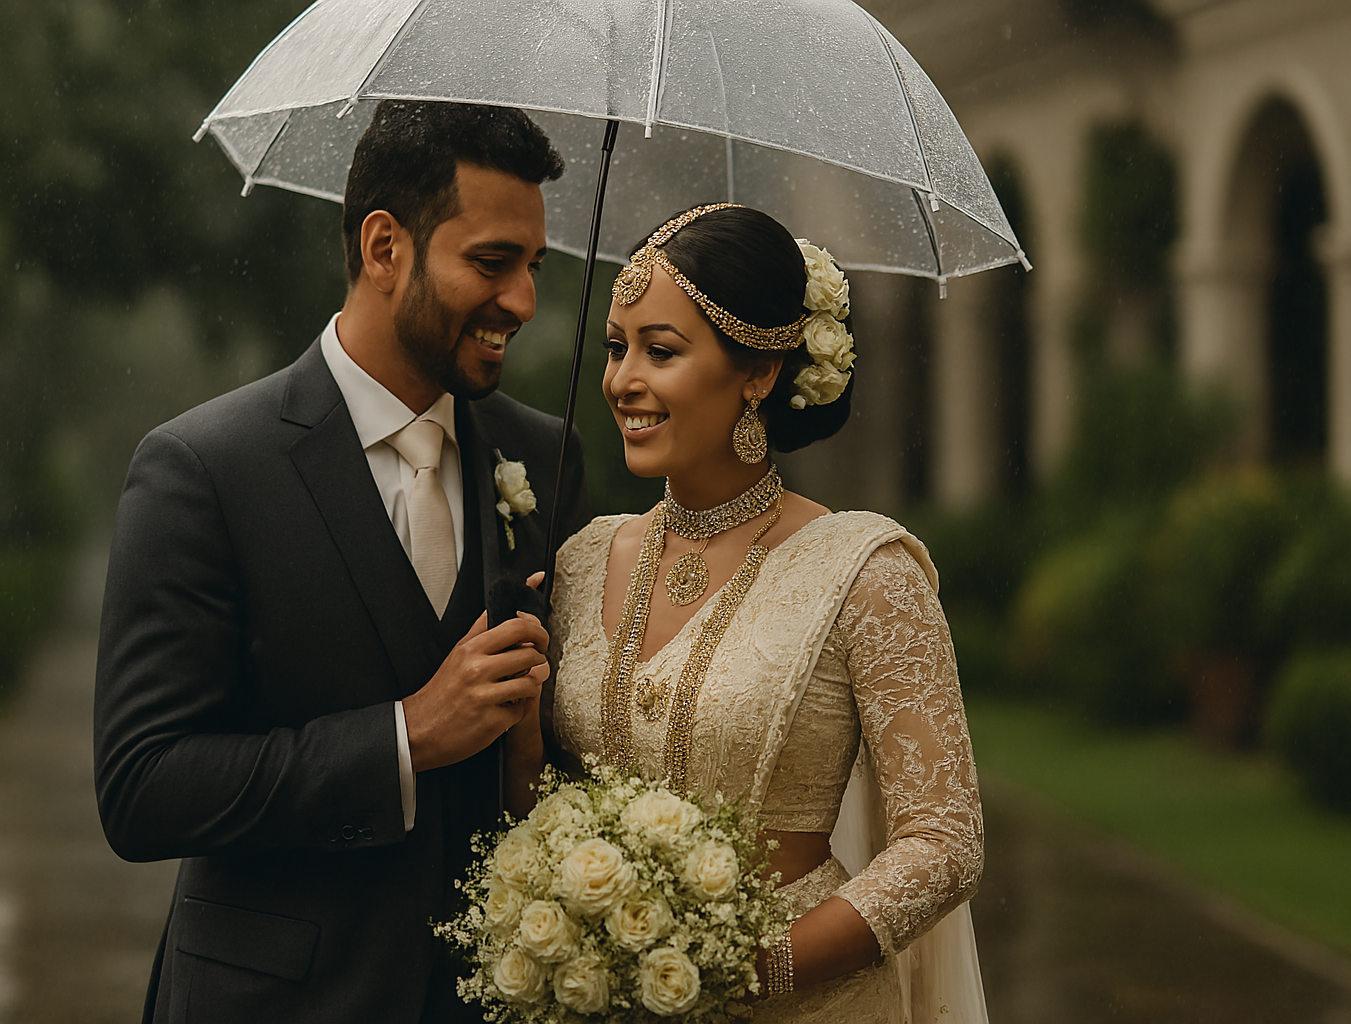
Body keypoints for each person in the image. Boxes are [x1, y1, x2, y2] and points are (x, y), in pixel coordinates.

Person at [93, 100, 591, 1024]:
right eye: (492, 262)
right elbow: (143, 788)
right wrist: (405, 738)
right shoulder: (203, 469)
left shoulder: (548, 461)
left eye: (534, 267)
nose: (522, 301)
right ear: (383, 246)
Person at [535, 204, 988, 1023]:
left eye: (660, 351)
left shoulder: (863, 571)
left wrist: (751, 964)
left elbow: (943, 844)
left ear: (760, 373)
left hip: (808, 1003)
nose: (623, 380)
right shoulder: (579, 560)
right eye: (615, 347)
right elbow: (540, 794)